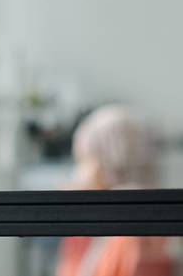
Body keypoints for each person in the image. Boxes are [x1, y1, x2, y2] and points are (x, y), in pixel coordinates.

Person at [56, 105, 172, 276]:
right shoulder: (126, 221)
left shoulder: (133, 228)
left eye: (85, 160)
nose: (79, 174)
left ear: (112, 160)